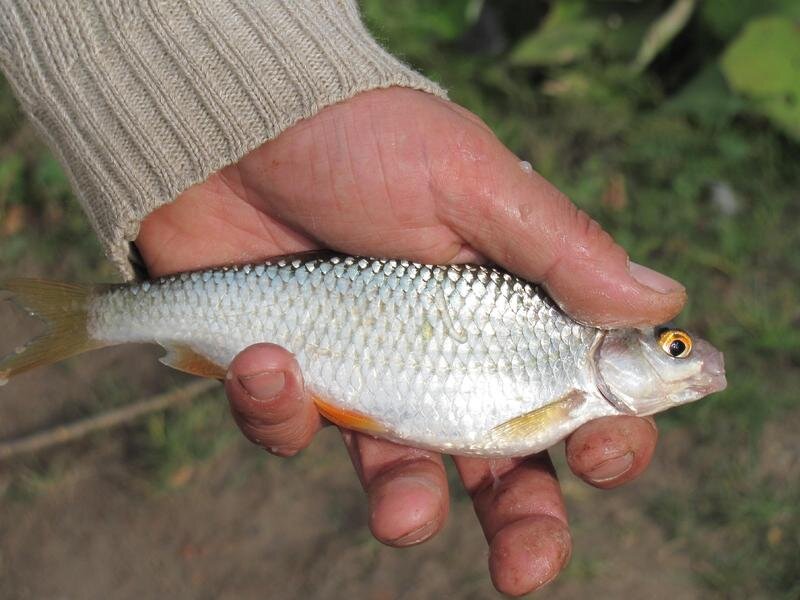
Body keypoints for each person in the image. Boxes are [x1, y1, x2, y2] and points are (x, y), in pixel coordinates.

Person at [0, 2, 685, 595]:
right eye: (673, 347)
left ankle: (88, 317)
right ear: (620, 338)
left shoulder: (566, 376)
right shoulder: (572, 353)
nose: (689, 359)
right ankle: (88, 316)